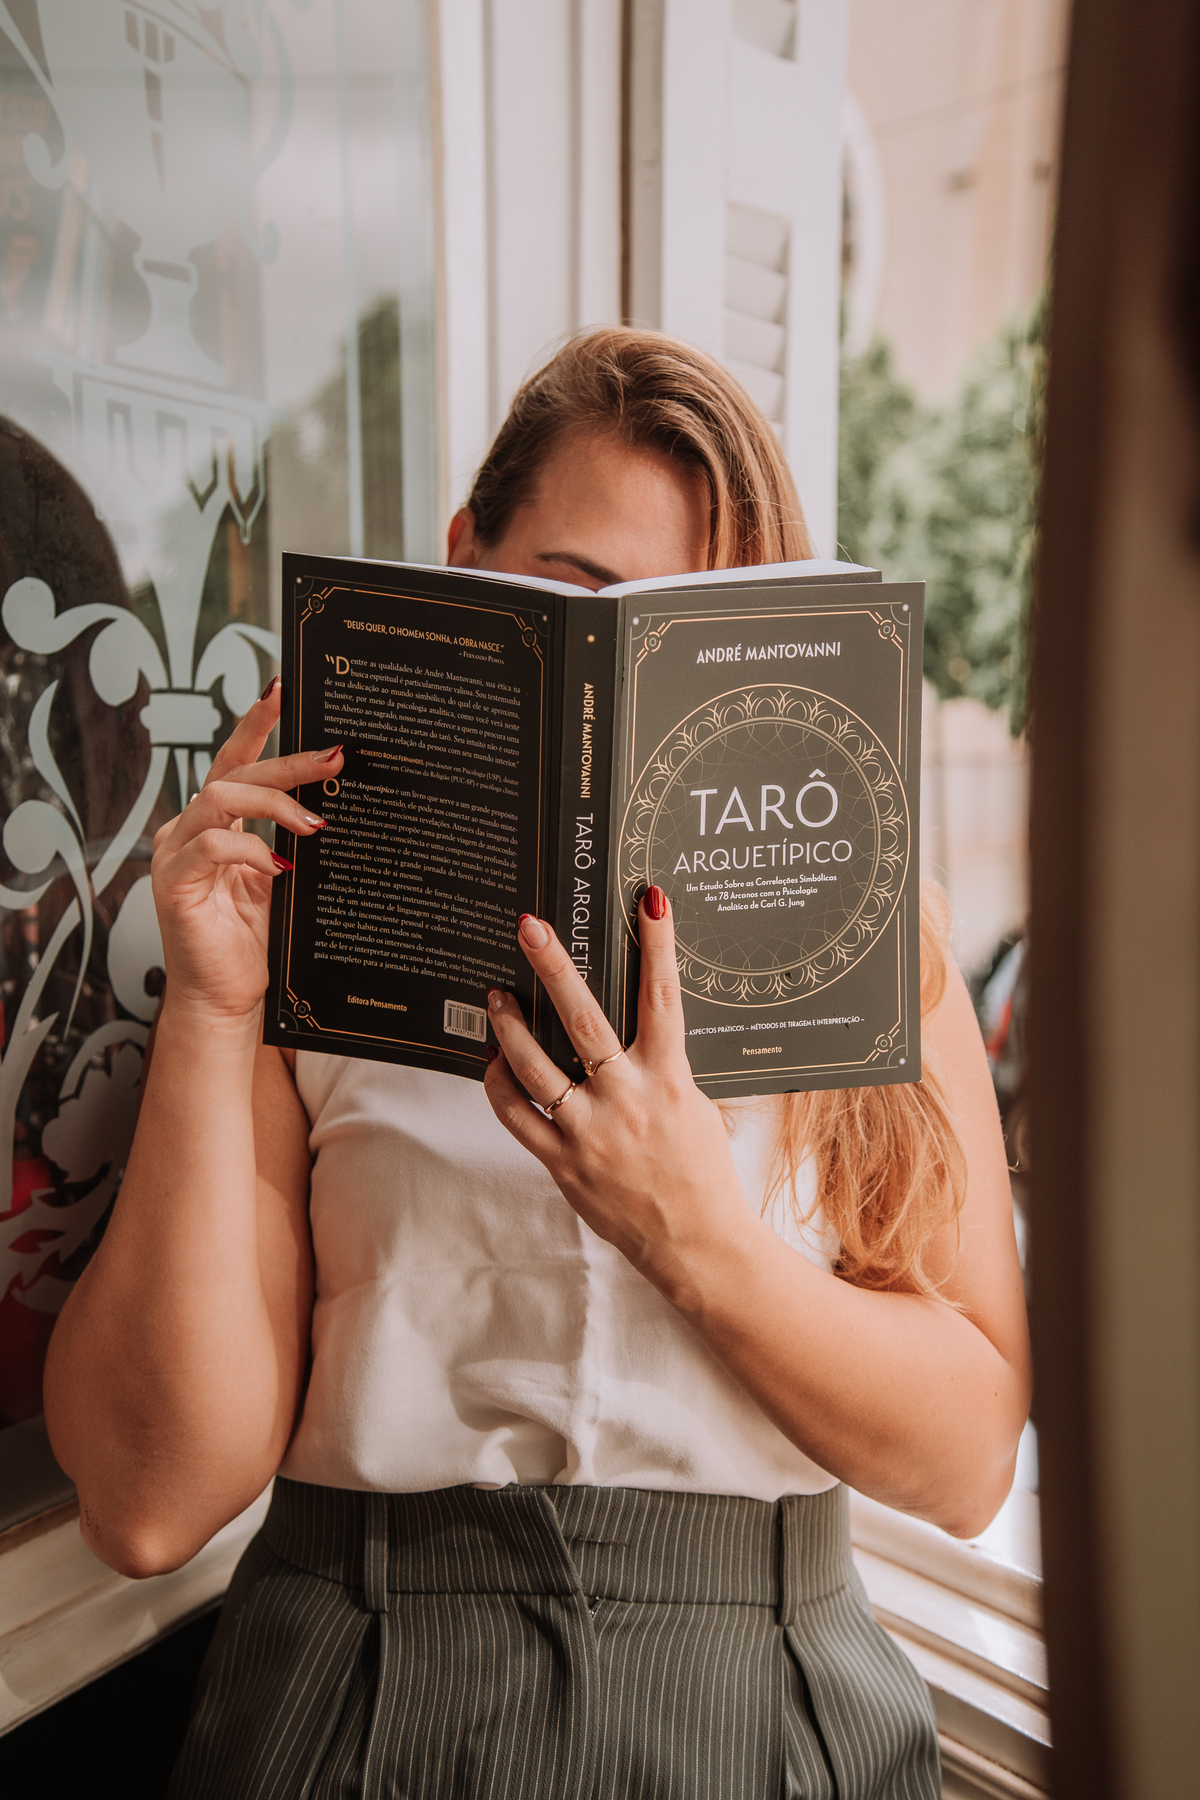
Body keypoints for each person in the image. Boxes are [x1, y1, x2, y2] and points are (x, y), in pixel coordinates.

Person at [43, 329, 1031, 1799]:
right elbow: (145, 1505)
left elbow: (966, 1464)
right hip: (358, 1682)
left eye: (688, 631)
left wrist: (694, 1236)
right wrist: (206, 1008)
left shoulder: (880, 955)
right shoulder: (299, 959)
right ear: (462, 560)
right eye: (569, 596)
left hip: (763, 1693)